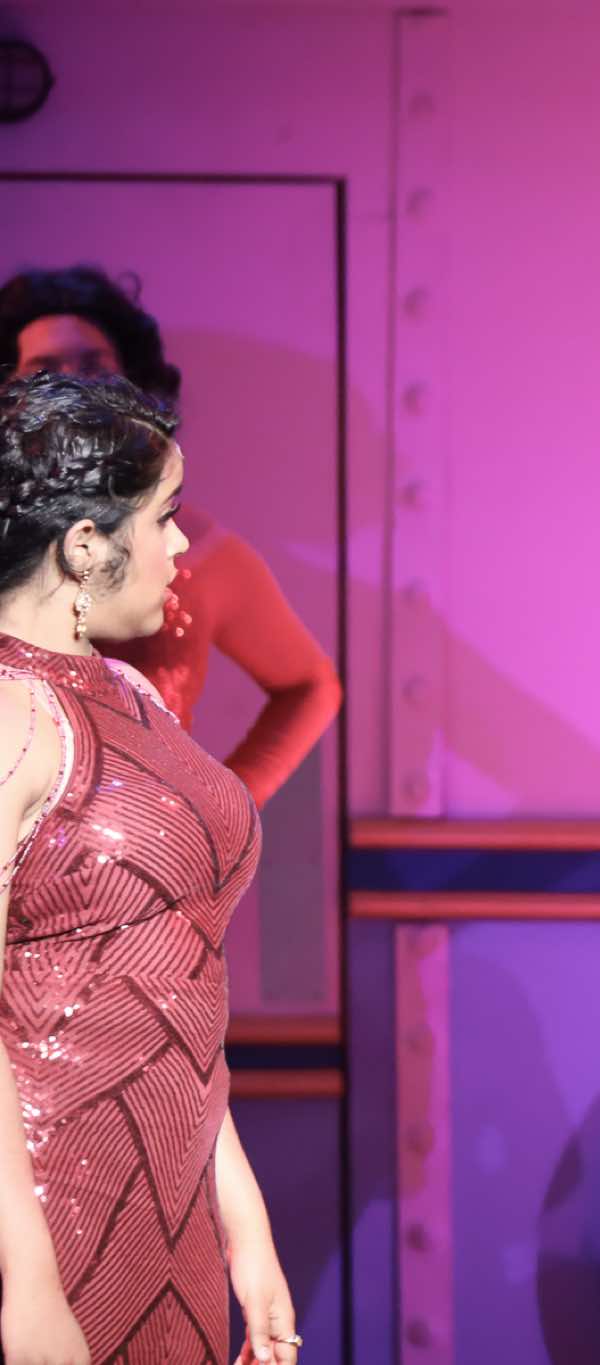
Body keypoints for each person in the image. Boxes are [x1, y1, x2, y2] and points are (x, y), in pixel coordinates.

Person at [0, 373, 297, 1364]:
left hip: (172, 1219)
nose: (180, 549)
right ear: (85, 546)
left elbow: (172, 992)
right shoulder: (8, 713)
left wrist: (244, 1227)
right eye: (165, 516)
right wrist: (27, 1284)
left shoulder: (132, 693)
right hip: (46, 1212)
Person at [0, 267, 339, 805]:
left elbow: (310, 685)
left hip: (150, 850)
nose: (72, 386)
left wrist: (226, 809)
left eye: (92, 366)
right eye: (45, 369)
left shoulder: (194, 548)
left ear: (128, 381)